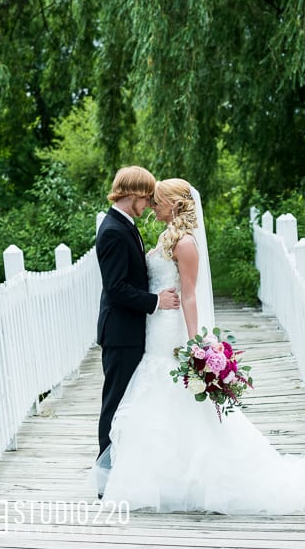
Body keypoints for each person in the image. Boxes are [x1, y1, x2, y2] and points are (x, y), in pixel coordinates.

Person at [92, 178, 305, 513]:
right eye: (149, 201)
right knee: (152, 397)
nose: (152, 206)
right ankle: (156, 475)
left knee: (171, 393)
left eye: (157, 201)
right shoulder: (166, 237)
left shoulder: (185, 243)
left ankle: (184, 477)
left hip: (170, 328)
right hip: (154, 325)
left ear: (175, 204)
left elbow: (191, 295)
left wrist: (196, 342)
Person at [95, 166, 180, 461]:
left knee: (127, 401)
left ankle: (122, 465)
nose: (149, 204)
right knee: (116, 404)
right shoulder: (113, 231)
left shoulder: (125, 224)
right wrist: (155, 301)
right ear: (131, 194)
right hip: (120, 332)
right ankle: (105, 472)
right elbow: (116, 287)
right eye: (146, 198)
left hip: (131, 329)